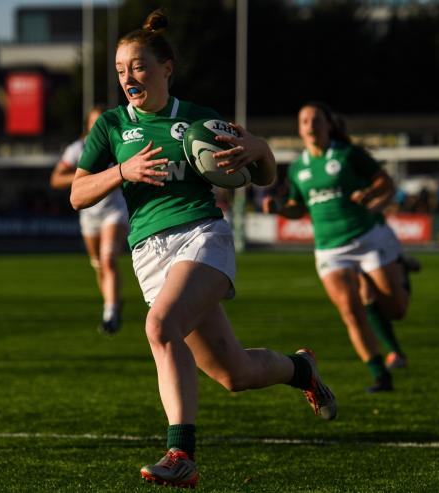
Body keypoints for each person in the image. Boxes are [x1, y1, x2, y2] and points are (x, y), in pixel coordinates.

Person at [70, 10, 336, 488]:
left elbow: (264, 175)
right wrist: (122, 173)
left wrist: (261, 150)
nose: (128, 77)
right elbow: (77, 194)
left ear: (166, 68)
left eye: (138, 66)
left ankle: (181, 454)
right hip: (149, 255)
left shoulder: (198, 120)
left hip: (201, 237)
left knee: (159, 326)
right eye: (120, 69)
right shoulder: (110, 126)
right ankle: (302, 370)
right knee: (233, 374)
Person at [263, 101, 416, 393]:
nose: (310, 126)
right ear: (299, 129)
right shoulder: (298, 168)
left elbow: (385, 182)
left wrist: (368, 193)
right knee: (350, 310)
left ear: (328, 125)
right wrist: (280, 208)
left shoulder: (348, 155)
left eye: (316, 120)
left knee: (396, 310)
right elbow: (299, 207)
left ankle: (402, 271)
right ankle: (380, 375)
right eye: (304, 121)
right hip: (329, 249)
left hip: (367, 238)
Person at [51, 106, 129, 334]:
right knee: (98, 265)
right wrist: (83, 177)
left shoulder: (119, 143)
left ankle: (110, 314)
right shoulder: (78, 149)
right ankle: (112, 301)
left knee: (108, 261)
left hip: (114, 210)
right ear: (87, 125)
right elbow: (56, 179)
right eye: (94, 122)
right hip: (89, 214)